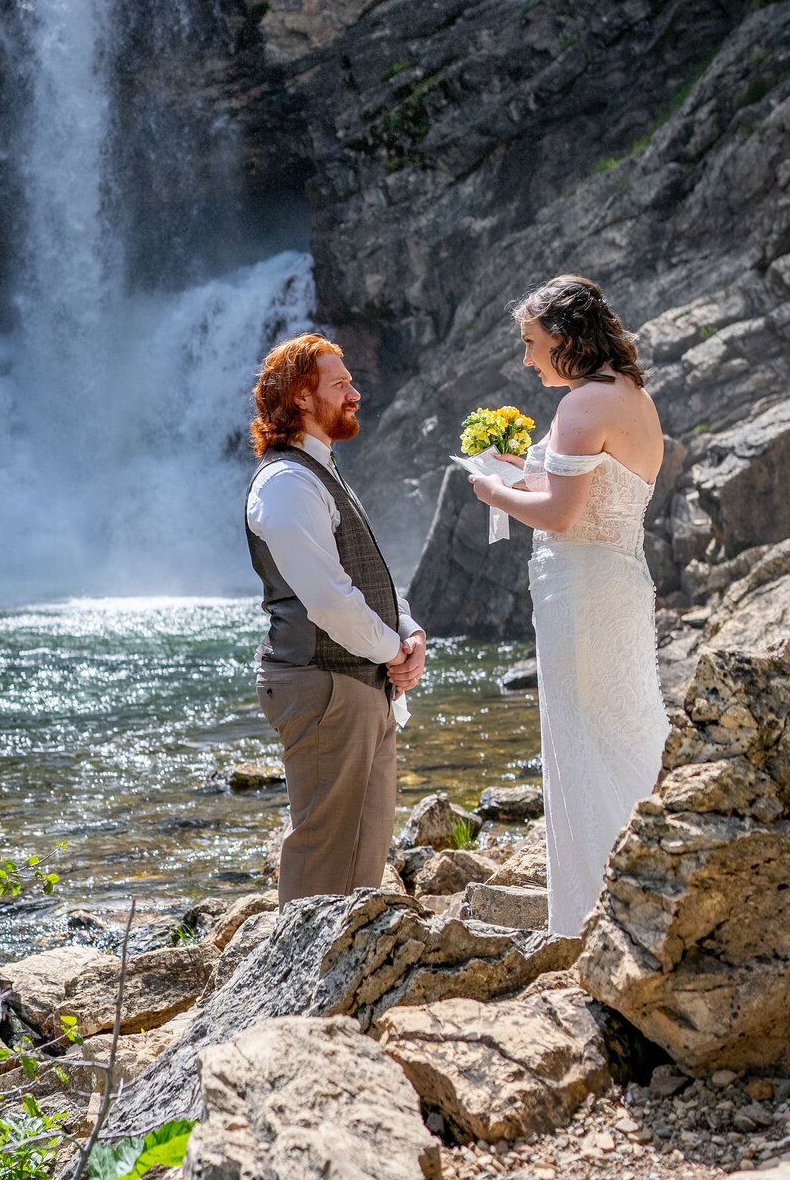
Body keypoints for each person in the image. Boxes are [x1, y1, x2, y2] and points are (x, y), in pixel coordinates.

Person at [469, 276, 669, 937]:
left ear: (565, 336)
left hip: (581, 595)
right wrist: (521, 474)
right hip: (614, 583)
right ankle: (649, 889)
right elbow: (584, 493)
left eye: (532, 343)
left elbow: (559, 512)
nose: (528, 359)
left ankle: (592, 922)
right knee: (623, 727)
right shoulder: (631, 397)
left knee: (583, 742)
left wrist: (493, 494)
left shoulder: (584, 404)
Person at [245, 333, 426, 906]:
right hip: (323, 687)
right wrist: (392, 651)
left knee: (362, 864)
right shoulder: (285, 484)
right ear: (300, 397)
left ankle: (341, 991)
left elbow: (361, 577)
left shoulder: (318, 472)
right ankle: (297, 994)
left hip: (355, 685)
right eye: (340, 383)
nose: (356, 392)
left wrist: (408, 632)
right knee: (324, 867)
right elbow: (328, 600)